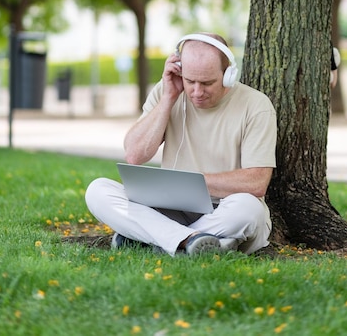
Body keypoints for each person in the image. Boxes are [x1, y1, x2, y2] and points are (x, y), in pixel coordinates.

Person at [85, 33, 277, 257]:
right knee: (98, 190)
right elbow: (135, 155)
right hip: (172, 208)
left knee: (249, 209)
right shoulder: (168, 92)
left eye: (207, 83)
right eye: (190, 81)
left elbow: (256, 182)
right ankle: (193, 242)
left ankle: (153, 239)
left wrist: (195, 182)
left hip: (225, 210)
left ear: (228, 75)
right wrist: (168, 97)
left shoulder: (256, 106)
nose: (196, 92)